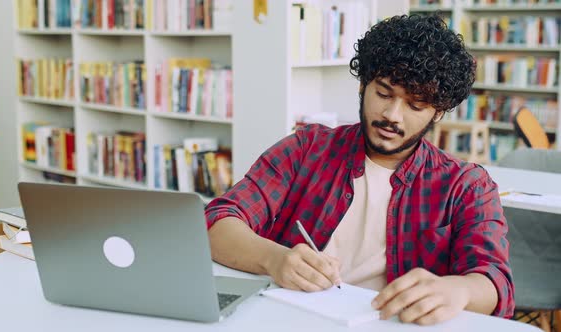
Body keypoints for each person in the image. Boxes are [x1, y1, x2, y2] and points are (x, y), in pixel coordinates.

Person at [205, 14, 514, 325]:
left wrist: (457, 290)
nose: (392, 115)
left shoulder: (466, 186)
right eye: (383, 93)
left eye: (416, 105)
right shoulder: (307, 149)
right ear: (363, 86)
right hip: (288, 320)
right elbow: (217, 223)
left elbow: (494, 283)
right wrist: (273, 259)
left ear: (437, 114)